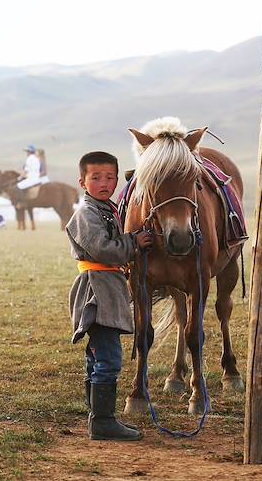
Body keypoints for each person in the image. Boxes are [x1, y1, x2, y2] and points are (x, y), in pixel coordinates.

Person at [66, 151, 154, 442]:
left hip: (108, 285)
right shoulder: (86, 213)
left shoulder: (107, 208)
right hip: (96, 288)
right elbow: (103, 249)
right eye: (96, 177)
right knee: (110, 357)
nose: (104, 182)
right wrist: (134, 242)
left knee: (98, 353)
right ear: (82, 182)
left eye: (110, 177)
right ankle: (103, 422)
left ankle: (96, 414)